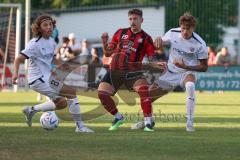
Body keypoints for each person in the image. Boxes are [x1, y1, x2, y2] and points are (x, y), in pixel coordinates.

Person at [12, 14, 94, 133]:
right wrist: (15, 74)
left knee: (61, 103)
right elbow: (18, 59)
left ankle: (31, 110)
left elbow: (53, 60)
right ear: (38, 28)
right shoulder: (34, 43)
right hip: (38, 80)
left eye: (50, 24)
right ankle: (80, 127)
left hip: (46, 78)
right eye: (45, 25)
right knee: (71, 92)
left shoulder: (51, 41)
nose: (49, 27)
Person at [98, 9, 165, 132]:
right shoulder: (120, 32)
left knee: (144, 91)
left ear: (141, 20)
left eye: (135, 19)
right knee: (102, 94)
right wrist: (104, 43)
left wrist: (157, 64)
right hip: (115, 71)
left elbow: (151, 58)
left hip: (133, 72)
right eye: (130, 19)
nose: (132, 21)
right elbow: (108, 53)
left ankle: (148, 123)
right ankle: (118, 117)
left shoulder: (146, 38)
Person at [151, 12, 208, 132]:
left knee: (191, 86)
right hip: (170, 72)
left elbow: (204, 67)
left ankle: (189, 124)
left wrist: (186, 66)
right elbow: (161, 43)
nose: (185, 31)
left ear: (193, 28)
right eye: (183, 28)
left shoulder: (200, 43)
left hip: (187, 72)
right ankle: (147, 121)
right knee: (148, 97)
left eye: (188, 29)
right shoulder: (172, 33)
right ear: (180, 26)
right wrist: (158, 40)